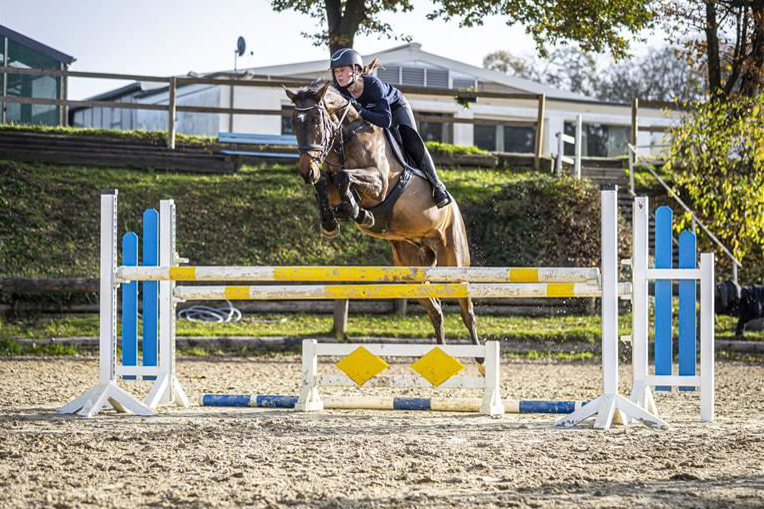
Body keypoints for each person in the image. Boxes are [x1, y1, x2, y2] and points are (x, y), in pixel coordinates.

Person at [329, 48, 452, 208]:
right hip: (371, 113)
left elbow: (386, 120)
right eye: (336, 71)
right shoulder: (340, 90)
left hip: (395, 108)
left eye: (342, 70)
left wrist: (359, 109)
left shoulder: (373, 85)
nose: (338, 75)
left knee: (410, 139)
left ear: (356, 70)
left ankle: (437, 185)